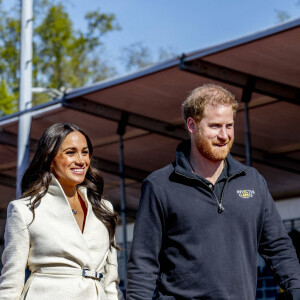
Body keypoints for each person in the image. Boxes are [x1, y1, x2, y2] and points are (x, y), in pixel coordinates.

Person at [127, 84, 300, 299]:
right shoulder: (160, 185)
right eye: (215, 126)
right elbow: (143, 262)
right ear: (192, 125)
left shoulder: (253, 181)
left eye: (229, 126)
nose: (224, 135)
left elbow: (278, 247)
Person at [0, 123, 121, 299]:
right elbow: (12, 280)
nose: (81, 160)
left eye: (85, 152)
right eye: (70, 152)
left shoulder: (103, 208)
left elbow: (110, 281)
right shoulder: (24, 210)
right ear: (49, 159)